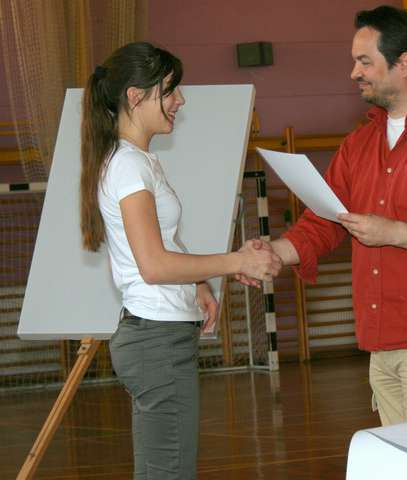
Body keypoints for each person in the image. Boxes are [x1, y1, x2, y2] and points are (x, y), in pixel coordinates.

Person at [249, 6, 407, 426]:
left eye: (365, 61)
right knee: (398, 459)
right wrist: (272, 253)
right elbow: (324, 222)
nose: (354, 73)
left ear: (405, 64)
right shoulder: (359, 144)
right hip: (382, 345)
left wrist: (394, 232)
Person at [79, 42, 282, 478]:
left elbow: (164, 241)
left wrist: (198, 283)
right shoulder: (128, 166)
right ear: (136, 97)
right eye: (170, 91)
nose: (180, 100)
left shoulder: (137, 161)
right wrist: (237, 262)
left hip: (159, 339)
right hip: (156, 342)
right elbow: (153, 265)